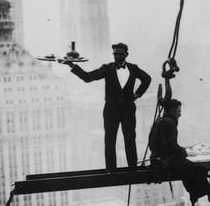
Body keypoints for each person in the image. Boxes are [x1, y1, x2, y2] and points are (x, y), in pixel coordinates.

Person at [64, 43, 151, 171]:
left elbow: (147, 79)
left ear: (126, 54)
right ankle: (111, 171)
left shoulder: (133, 68)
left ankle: (133, 169)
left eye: (120, 54)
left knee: (130, 140)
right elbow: (87, 77)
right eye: (115, 54)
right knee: (110, 141)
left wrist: (136, 95)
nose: (117, 56)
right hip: (111, 110)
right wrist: (71, 65)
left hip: (128, 109)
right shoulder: (107, 68)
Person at [149, 99, 210, 206]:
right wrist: (185, 152)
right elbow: (172, 146)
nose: (180, 114)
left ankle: (197, 194)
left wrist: (183, 150)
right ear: (172, 110)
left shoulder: (160, 121)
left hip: (159, 159)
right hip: (166, 162)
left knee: (189, 168)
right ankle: (206, 195)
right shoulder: (169, 123)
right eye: (178, 111)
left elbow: (161, 145)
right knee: (199, 169)